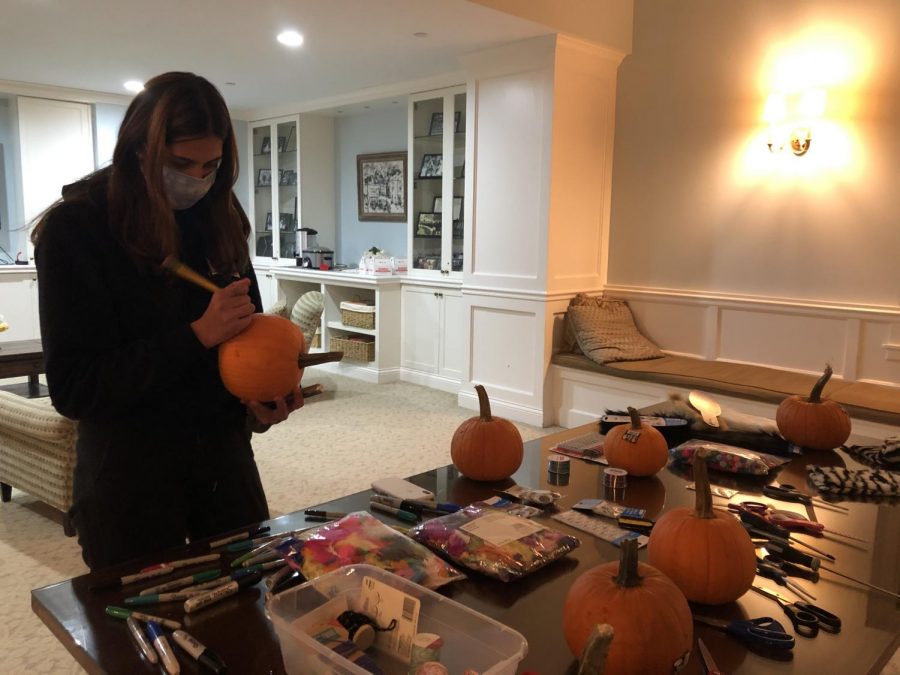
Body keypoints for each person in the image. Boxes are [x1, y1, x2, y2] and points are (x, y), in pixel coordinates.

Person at [31, 72, 303, 570]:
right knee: (141, 637)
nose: (197, 179)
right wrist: (197, 335)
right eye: (180, 164)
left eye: (212, 166)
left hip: (223, 464)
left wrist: (259, 403)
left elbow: (244, 339)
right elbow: (73, 389)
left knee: (249, 621)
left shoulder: (218, 212)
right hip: (128, 479)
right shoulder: (78, 228)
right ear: (138, 148)